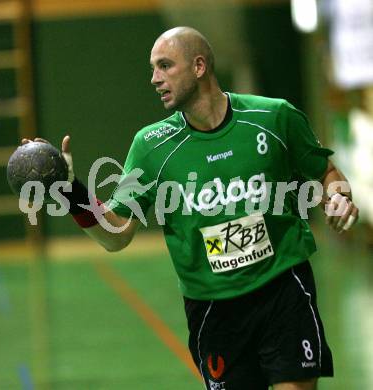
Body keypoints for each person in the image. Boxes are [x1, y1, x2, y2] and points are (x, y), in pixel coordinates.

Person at [23, 27, 359, 390]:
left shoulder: (274, 117)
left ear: (199, 66)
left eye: (165, 66)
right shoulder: (152, 147)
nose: (155, 78)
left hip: (282, 289)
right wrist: (72, 193)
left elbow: (325, 172)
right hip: (215, 309)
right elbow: (116, 235)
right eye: (153, 68)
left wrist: (338, 197)